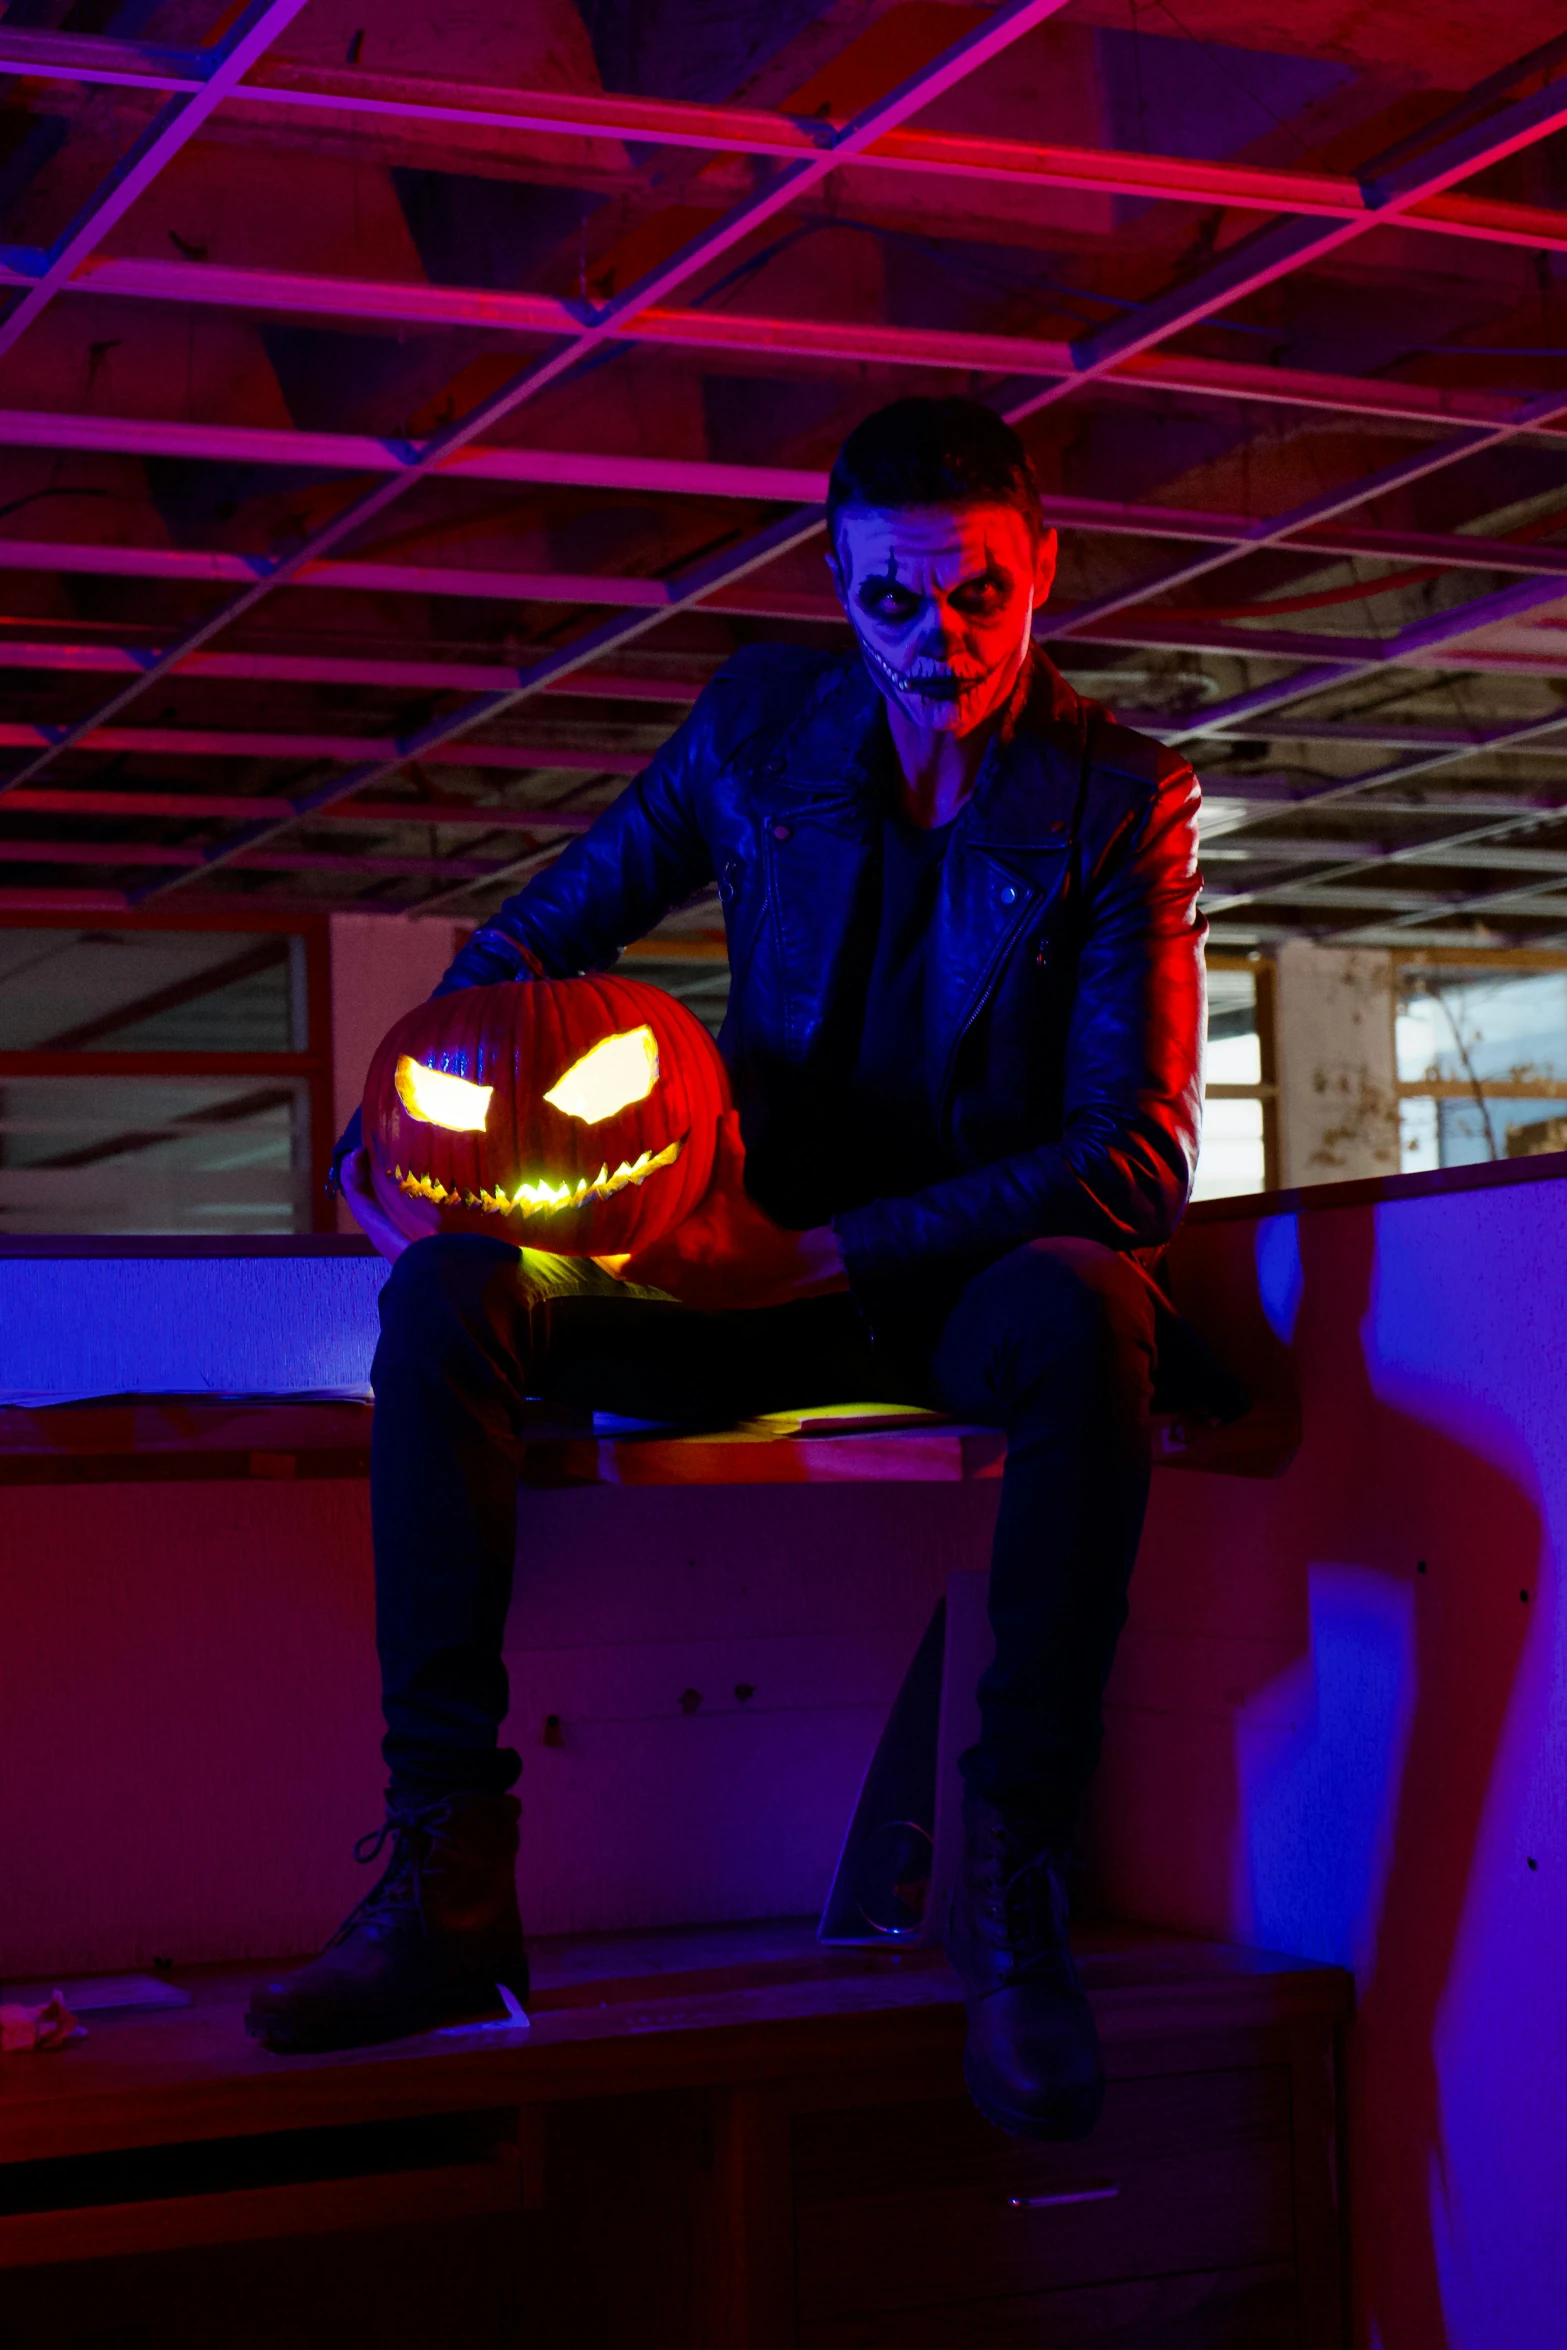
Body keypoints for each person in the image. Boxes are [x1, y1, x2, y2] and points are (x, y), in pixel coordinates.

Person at [246, 396, 1207, 2141]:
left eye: (981, 594)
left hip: (943, 1289)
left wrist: (817, 1252)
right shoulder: (755, 729)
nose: (943, 640)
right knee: (446, 1295)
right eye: (894, 602)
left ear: (1042, 566)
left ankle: (1009, 1890)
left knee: (1090, 1303)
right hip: (716, 1266)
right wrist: (395, 1111)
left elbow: (1132, 1154)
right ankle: (447, 1875)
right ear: (835, 582)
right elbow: (541, 936)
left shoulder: (1120, 797)